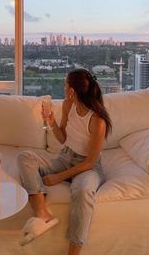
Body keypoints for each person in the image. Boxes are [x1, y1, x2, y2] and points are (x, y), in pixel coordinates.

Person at [17, 68, 112, 255]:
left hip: (87, 167)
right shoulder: (69, 105)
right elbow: (63, 139)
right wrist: (52, 122)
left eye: (65, 84)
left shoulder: (97, 121)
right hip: (66, 156)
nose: (63, 87)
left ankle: (73, 252)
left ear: (72, 91)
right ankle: (42, 214)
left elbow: (90, 162)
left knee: (83, 190)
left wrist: (58, 177)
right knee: (25, 157)